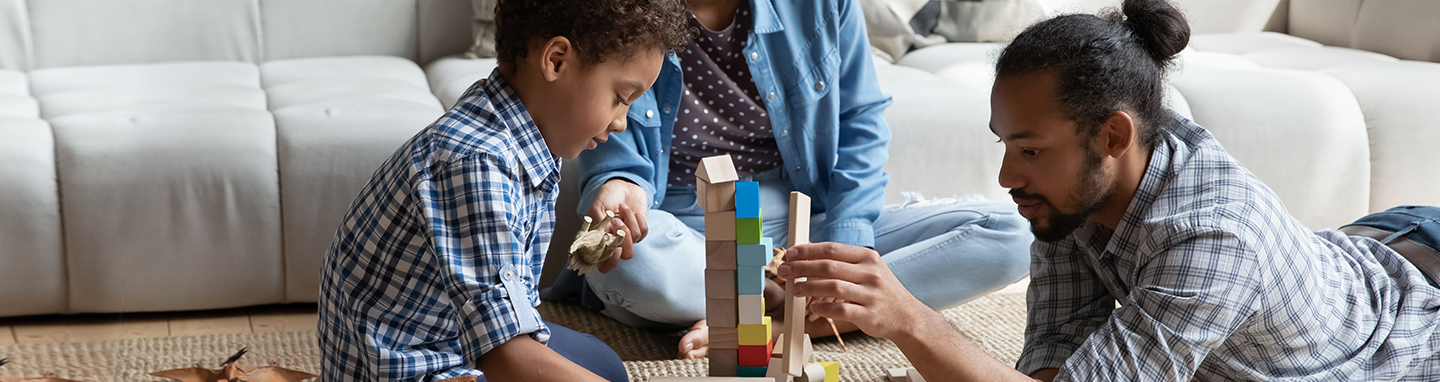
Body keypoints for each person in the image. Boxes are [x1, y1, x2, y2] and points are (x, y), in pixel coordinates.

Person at [776, 0, 1440, 380]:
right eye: (1005, 145)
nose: (1008, 176)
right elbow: (1051, 368)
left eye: (1030, 149)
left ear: (1113, 136)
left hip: (1418, 304)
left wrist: (911, 320)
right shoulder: (1071, 197)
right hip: (1366, 246)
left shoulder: (1212, 239)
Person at [539, 0, 1035, 359]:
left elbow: (861, 121)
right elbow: (615, 142)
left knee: (1011, 234)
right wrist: (616, 185)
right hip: (686, 227)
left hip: (804, 219)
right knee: (622, 261)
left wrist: (844, 250)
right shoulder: (621, 14)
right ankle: (802, 304)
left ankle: (784, 322)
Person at [314, 0, 689, 380]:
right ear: (556, 61)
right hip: (414, 367)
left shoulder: (523, 129)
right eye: (621, 98)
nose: (622, 122)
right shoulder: (475, 162)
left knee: (605, 367)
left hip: (454, 336)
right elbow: (504, 358)